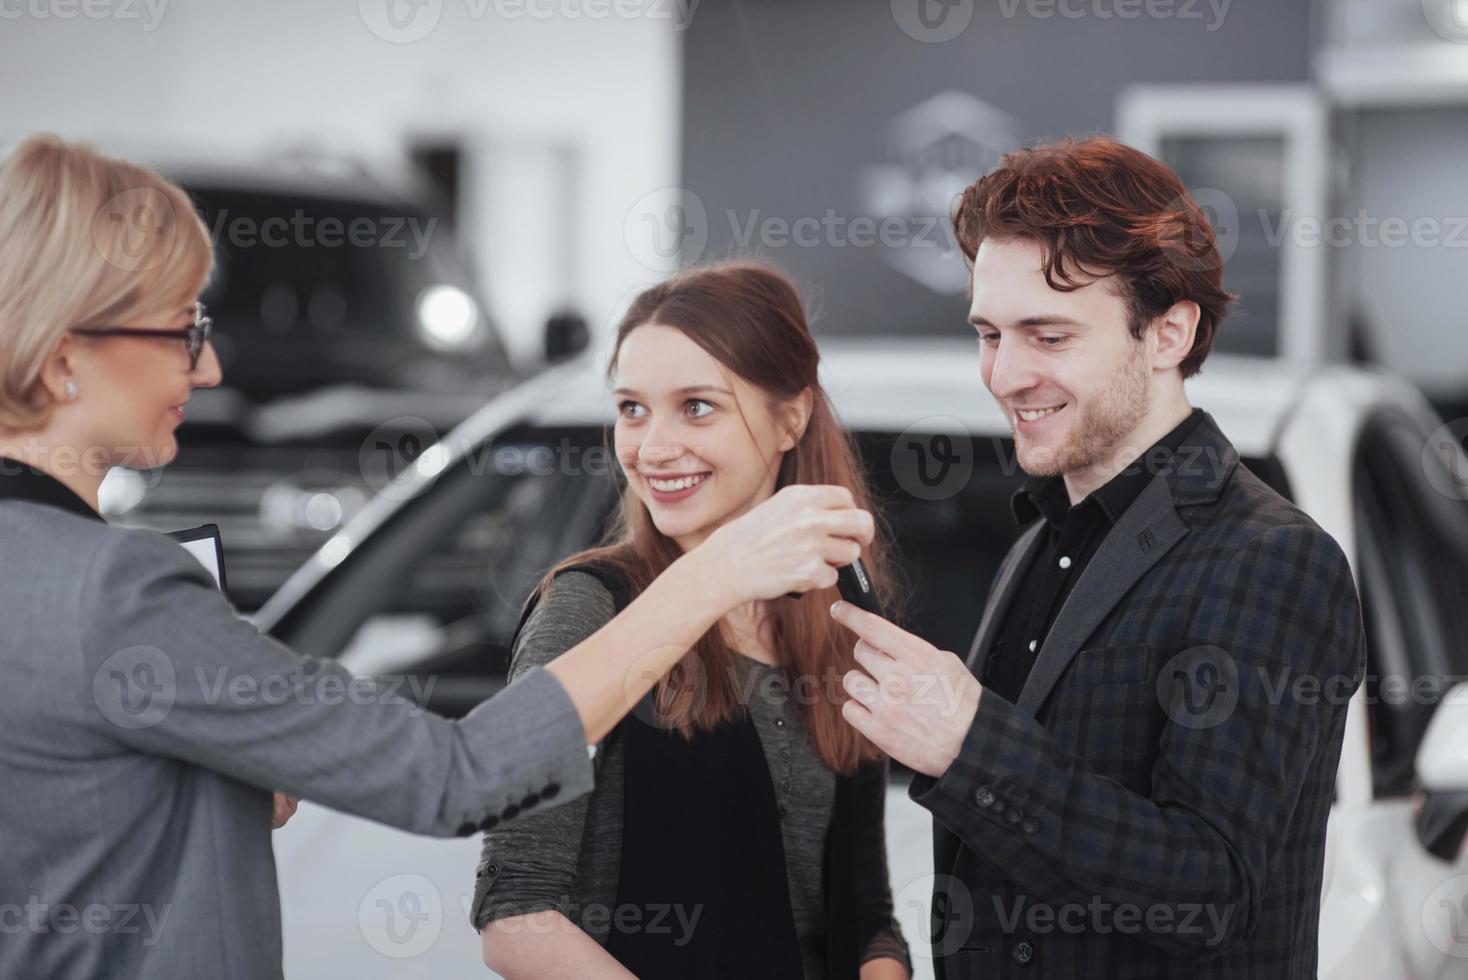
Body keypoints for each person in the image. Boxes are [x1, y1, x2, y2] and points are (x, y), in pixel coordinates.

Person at [0, 134, 873, 980]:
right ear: (66, 357)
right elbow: (458, 778)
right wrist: (711, 575)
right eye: (181, 331)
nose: (212, 368)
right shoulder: (117, 588)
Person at [831, 137, 1367, 978]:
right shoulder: (1039, 543)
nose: (1005, 375)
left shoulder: (1271, 560)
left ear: (1168, 332)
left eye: (1047, 336)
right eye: (988, 335)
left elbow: (1209, 892)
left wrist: (970, 742)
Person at [474, 260, 912, 980]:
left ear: (790, 418)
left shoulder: (842, 621)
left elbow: (865, 917)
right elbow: (516, 915)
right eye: (632, 408)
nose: (652, 447)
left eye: (697, 407)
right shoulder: (590, 605)